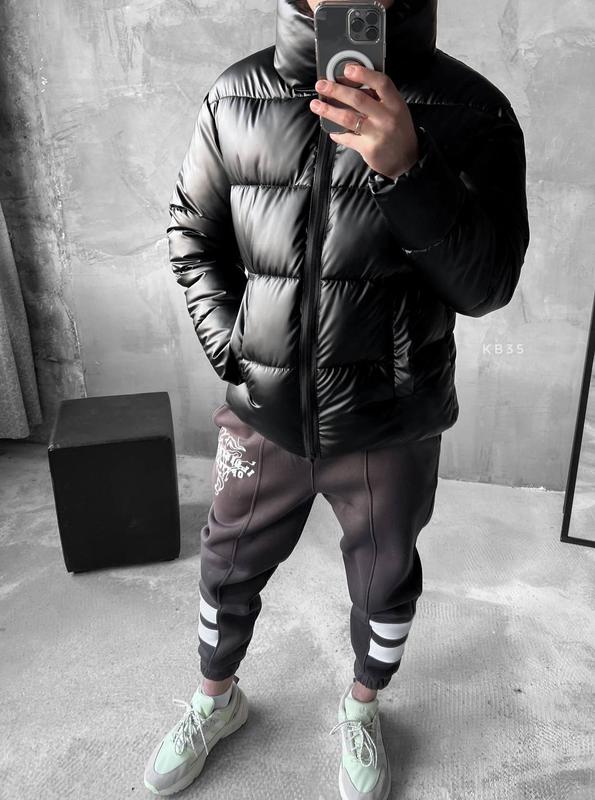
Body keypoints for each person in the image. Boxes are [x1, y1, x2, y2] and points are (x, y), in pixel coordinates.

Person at [144, 0, 530, 796]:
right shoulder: (235, 95)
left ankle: (361, 706)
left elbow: (485, 286)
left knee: (383, 582)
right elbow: (191, 232)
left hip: (392, 423)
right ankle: (215, 699)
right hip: (262, 417)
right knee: (225, 566)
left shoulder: (474, 111)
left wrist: (407, 170)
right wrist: (236, 352)